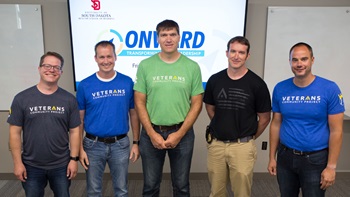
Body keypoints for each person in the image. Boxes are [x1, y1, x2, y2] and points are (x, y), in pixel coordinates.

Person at [133, 19, 204, 197]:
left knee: (181, 186)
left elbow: (197, 103)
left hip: (183, 133)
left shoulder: (192, 67)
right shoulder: (145, 65)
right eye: (164, 35)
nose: (168, 39)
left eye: (172, 34)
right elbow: (139, 101)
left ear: (179, 37)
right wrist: (151, 133)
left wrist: (179, 134)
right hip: (151, 134)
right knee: (150, 186)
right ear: (157, 39)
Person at [268, 42, 345, 197]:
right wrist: (272, 157)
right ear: (290, 61)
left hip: (315, 160)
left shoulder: (329, 88)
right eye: (295, 60)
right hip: (285, 158)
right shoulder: (280, 88)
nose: (299, 64)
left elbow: (336, 130)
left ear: (312, 60)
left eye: (304, 59)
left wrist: (331, 167)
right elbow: (276, 123)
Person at [203, 36, 271, 197]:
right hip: (217, 145)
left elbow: (265, 118)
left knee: (241, 193)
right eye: (233, 51)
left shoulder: (257, 84)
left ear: (247, 56)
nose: (236, 56)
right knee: (216, 192)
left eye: (241, 52)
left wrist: (249, 135)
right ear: (227, 53)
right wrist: (223, 125)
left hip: (242, 146)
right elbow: (210, 108)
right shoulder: (215, 80)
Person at [7, 52, 81, 197]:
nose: (51, 70)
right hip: (31, 165)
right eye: (47, 66)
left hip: (61, 165)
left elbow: (75, 132)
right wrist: (17, 163)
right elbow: (14, 133)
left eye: (56, 67)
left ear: (61, 72)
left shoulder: (69, 100)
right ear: (39, 68)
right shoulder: (21, 98)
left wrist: (73, 160)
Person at [77, 40, 140, 197]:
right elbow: (79, 120)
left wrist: (136, 143)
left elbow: (134, 113)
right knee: (93, 191)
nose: (106, 61)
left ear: (115, 57)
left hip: (120, 144)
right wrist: (79, 148)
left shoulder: (127, 82)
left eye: (109, 56)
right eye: (102, 57)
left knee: (122, 190)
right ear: (95, 59)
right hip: (92, 145)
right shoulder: (85, 85)